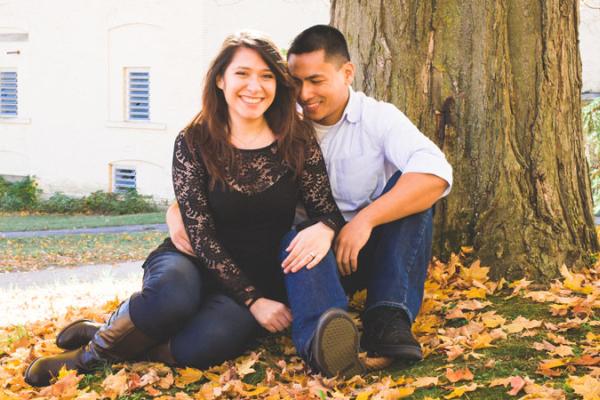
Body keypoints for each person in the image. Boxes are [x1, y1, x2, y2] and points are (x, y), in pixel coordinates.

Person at [24, 30, 364, 388]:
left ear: (279, 85)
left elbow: (326, 209)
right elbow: (199, 234)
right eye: (242, 74)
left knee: (210, 342)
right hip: (192, 259)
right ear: (221, 79)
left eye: (266, 76)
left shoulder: (297, 138)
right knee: (172, 297)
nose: (255, 86)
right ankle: (91, 354)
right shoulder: (194, 141)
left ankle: (124, 334)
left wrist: (325, 228)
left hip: (256, 273)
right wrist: (254, 302)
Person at [166, 25, 453, 364]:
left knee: (413, 191)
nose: (304, 94)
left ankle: (388, 319)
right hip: (301, 257)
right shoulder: (279, 122)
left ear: (347, 73)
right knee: (299, 241)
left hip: (364, 248)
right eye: (296, 82)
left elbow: (436, 174)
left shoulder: (378, 119)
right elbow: (222, 179)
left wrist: (364, 221)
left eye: (316, 81)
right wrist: (175, 210)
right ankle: (323, 341)